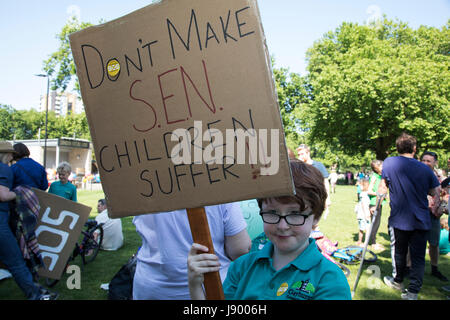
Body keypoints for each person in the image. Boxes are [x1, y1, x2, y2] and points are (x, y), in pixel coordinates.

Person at [187, 160, 351, 300]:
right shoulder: (242, 267)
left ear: (315, 217)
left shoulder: (329, 279)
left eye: (295, 214)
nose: (282, 226)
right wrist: (195, 287)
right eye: (272, 213)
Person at [132, 202, 251, 299]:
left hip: (150, 287)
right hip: (210, 287)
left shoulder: (142, 184)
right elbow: (240, 249)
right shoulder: (218, 186)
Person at [378, 133, 440, 300]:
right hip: (421, 219)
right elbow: (436, 192)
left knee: (399, 252)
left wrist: (378, 200)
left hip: (399, 219)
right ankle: (412, 291)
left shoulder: (389, 162)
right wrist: (436, 207)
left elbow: (383, 186)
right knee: (418, 257)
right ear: (414, 148)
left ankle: (398, 280)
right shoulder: (425, 169)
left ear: (398, 147)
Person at [0, 141, 56, 300]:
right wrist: (23, 193)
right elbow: (44, 186)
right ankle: (35, 289)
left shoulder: (13, 169)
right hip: (31, 211)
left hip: (13, 214)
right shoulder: (37, 167)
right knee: (21, 254)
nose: (11, 156)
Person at [420, 151, 448, 281]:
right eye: (423, 160)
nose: (425, 163)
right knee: (415, 243)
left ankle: (434, 269)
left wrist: (443, 205)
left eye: (428, 161)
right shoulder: (416, 175)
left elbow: (442, 194)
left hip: (435, 215)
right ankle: (409, 268)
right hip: (420, 213)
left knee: (434, 243)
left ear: (434, 163)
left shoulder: (438, 177)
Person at [296, 144, 331, 220]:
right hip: (302, 200)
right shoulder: (299, 167)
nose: (300, 156)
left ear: (308, 153)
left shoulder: (318, 165)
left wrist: (327, 198)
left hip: (316, 199)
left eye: (302, 154)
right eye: (298, 154)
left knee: (315, 221)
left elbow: (325, 183)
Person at [366, 160, 386, 252]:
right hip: (374, 203)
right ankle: (373, 243)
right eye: (382, 166)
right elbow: (369, 191)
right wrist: (379, 194)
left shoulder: (381, 176)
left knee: (377, 224)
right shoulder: (374, 177)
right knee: (374, 224)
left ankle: (373, 241)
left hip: (379, 203)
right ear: (377, 167)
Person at [355, 179, 371, 247]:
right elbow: (364, 205)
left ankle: (360, 241)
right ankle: (363, 242)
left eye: (361, 185)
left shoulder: (363, 194)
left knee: (362, 228)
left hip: (361, 214)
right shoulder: (365, 194)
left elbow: (362, 205)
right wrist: (367, 214)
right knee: (366, 229)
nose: (359, 186)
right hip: (363, 214)